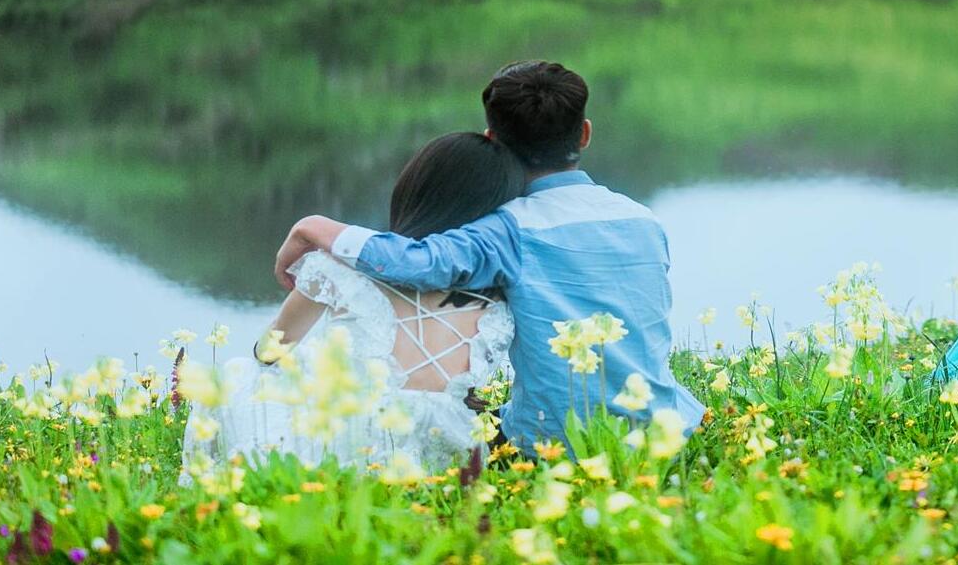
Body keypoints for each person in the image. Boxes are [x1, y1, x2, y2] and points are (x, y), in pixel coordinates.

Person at [271, 61, 704, 448]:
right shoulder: (643, 220)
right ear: (585, 133)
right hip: (667, 428)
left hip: (559, 441)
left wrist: (313, 226)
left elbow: (417, 261)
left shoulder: (508, 229)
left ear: (492, 139)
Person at [184, 132, 524, 473]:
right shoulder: (502, 297)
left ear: (416, 189)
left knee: (239, 373)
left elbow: (269, 352)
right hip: (449, 451)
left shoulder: (338, 269)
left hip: (359, 445)